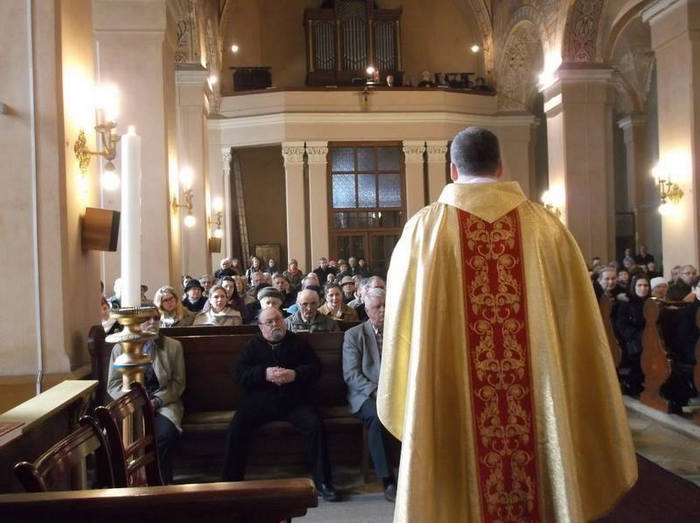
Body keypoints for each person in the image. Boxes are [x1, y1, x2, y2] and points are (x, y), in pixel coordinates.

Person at [377, 127, 636, 522]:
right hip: (537, 404)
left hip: (449, 400)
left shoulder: (423, 232)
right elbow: (578, 328)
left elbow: (402, 329)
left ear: (452, 169)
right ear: (500, 167)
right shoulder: (547, 229)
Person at [222, 307, 340, 501]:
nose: (275, 324)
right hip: (260, 401)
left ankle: (323, 481)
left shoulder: (297, 342)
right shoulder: (252, 346)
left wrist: (295, 374)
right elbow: (238, 374)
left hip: (294, 400)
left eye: (278, 319)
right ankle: (231, 483)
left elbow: (315, 368)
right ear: (261, 327)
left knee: (315, 426)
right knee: (236, 428)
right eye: (269, 322)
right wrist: (263, 374)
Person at [107, 310, 185, 483]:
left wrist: (156, 401)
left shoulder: (173, 346)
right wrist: (133, 403)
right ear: (135, 322)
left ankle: (161, 481)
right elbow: (113, 385)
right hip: (130, 404)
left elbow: (178, 383)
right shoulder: (120, 348)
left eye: (156, 318)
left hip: (163, 402)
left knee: (163, 435)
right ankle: (124, 481)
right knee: (112, 435)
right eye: (146, 319)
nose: (152, 322)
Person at [342, 288, 396, 502]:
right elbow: (351, 374)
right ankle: (388, 480)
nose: (382, 310)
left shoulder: (399, 331)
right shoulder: (354, 335)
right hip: (366, 393)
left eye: (385, 306)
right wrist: (376, 392)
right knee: (377, 417)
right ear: (366, 310)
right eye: (377, 307)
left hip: (397, 391)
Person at [615, 276, 650, 397]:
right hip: (631, 339)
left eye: (645, 285)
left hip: (648, 337)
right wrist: (639, 335)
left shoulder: (650, 302)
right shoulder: (626, 303)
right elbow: (622, 325)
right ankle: (632, 385)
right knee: (640, 354)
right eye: (639, 285)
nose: (643, 288)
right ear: (633, 287)